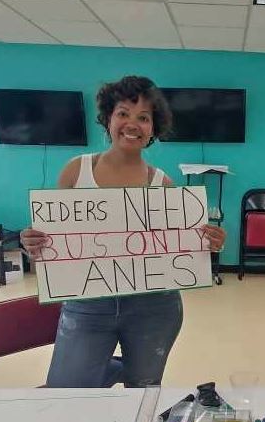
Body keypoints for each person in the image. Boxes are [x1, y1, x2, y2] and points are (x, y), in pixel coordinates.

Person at [21, 75, 225, 388]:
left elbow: (182, 247)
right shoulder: (77, 171)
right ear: (107, 119)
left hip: (154, 307)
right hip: (87, 303)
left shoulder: (163, 185)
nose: (132, 124)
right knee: (67, 390)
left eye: (144, 117)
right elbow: (54, 244)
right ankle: (112, 367)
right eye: (123, 113)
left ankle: (126, 370)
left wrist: (208, 244)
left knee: (142, 391)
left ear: (153, 128)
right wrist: (34, 244)